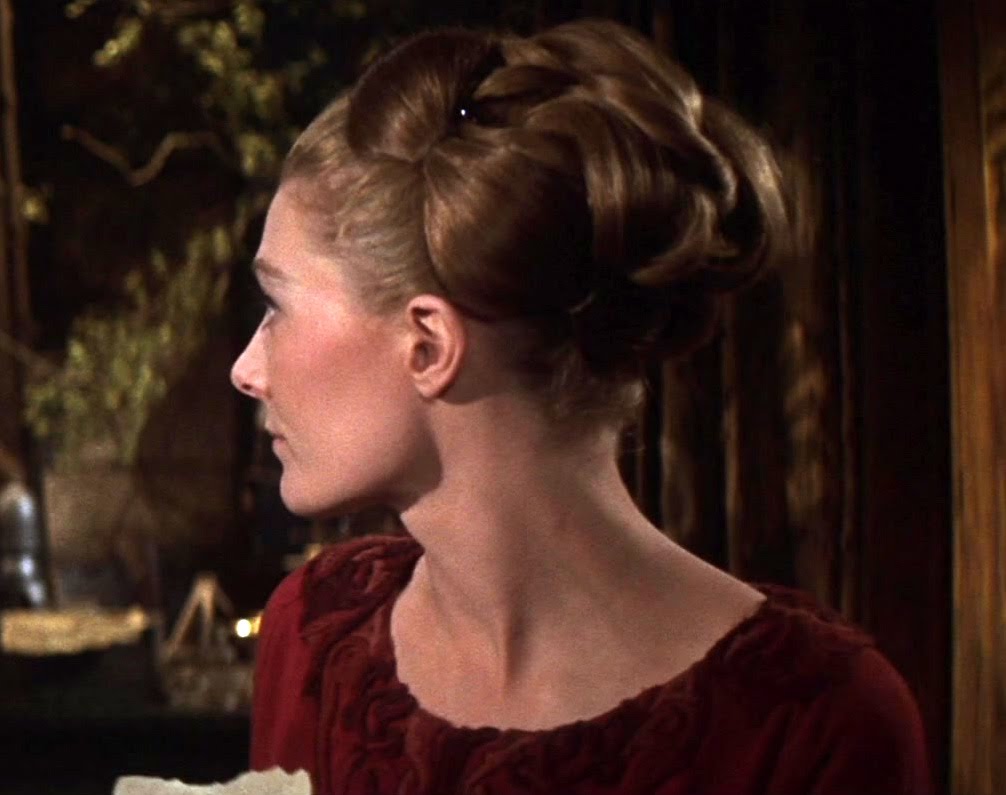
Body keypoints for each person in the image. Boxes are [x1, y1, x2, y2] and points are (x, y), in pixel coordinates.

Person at [231, 18, 932, 795]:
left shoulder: (814, 720)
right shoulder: (316, 636)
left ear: (427, 344)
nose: (245, 369)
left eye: (276, 306)